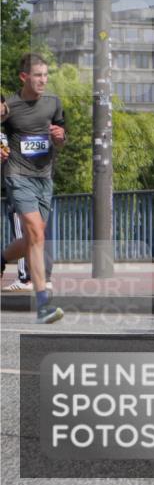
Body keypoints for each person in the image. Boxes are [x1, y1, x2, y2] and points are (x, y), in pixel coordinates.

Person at [0, 54, 66, 323]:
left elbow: (61, 137)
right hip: (18, 176)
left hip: (44, 178)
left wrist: (60, 138)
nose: (43, 80)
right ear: (24, 77)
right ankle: (43, 305)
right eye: (38, 75)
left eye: (46, 75)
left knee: (32, 241)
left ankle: (2, 257)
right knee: (37, 233)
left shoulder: (53, 104)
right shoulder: (9, 106)